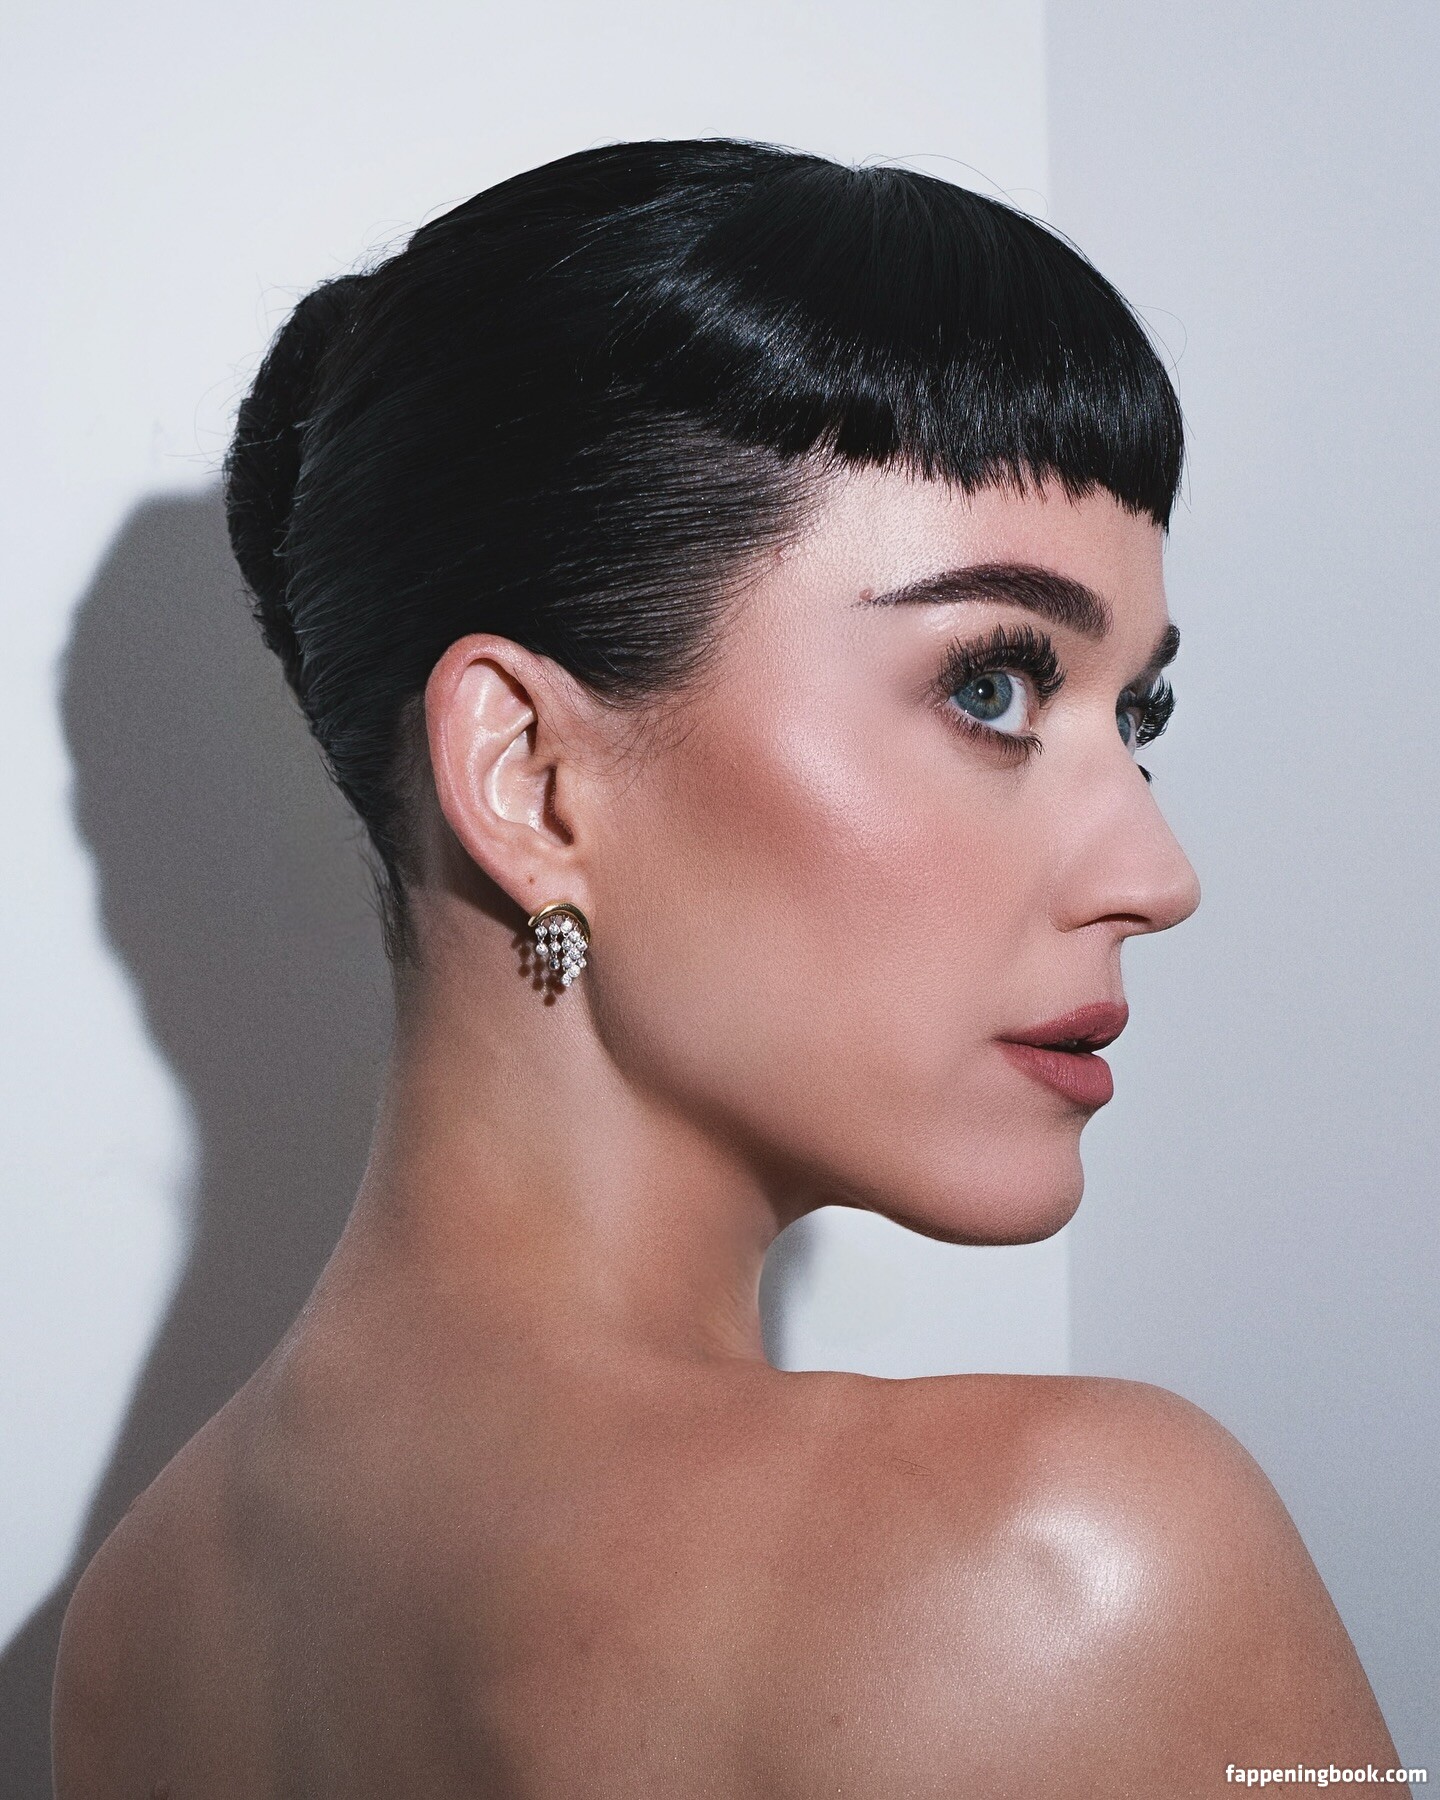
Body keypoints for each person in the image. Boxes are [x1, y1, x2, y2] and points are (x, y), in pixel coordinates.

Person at [52, 138, 1402, 1797]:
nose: (1156, 876)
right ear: (531, 778)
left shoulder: (134, 1634)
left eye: (1139, 716)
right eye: (991, 686)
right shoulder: (1070, 1563)